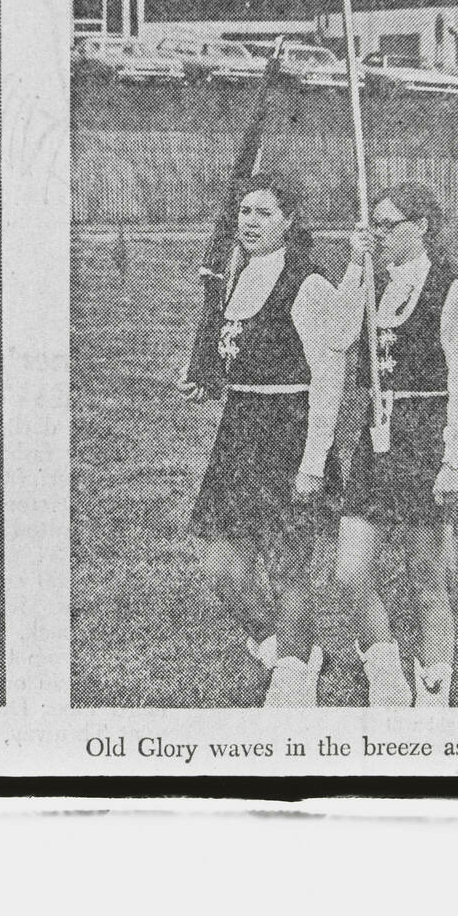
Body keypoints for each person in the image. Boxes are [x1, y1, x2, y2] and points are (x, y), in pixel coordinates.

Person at [181, 174, 347, 707]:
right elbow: (238, 353)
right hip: (240, 431)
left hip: (290, 430)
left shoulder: (309, 283)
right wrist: (207, 376)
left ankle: (296, 675)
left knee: (291, 564)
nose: (249, 222)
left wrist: (314, 462)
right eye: (244, 212)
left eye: (263, 213)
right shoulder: (238, 275)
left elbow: (329, 376)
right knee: (222, 567)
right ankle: (279, 643)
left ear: (290, 220)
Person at [328, 184, 458, 708]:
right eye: (376, 224)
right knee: (351, 570)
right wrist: (355, 267)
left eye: (391, 225)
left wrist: (453, 459)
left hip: (426, 438)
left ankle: (433, 693)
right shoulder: (371, 283)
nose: (381, 234)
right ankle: (386, 672)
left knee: (427, 581)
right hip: (377, 438)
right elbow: (337, 336)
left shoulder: (448, 289)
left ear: (421, 228)